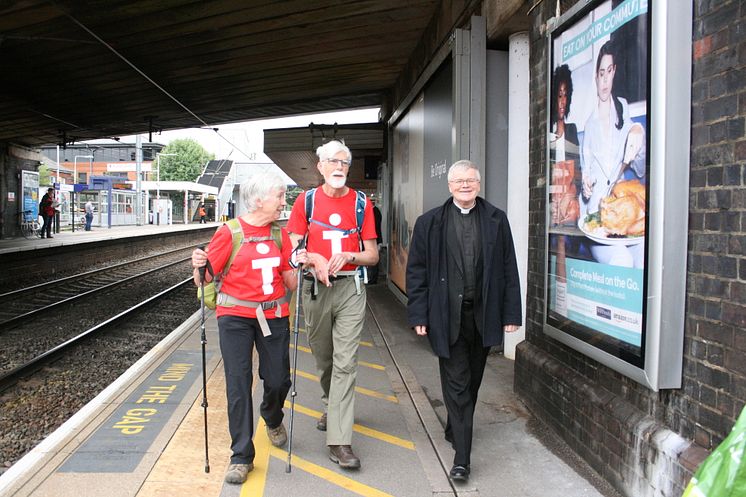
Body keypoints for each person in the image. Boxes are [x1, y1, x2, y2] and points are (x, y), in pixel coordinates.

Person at [406, 160, 522, 482]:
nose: (465, 185)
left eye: (470, 180)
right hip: (446, 316)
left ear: (479, 184)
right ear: (449, 186)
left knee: (472, 381)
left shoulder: (497, 220)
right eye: (459, 180)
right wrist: (419, 314)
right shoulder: (429, 222)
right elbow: (417, 272)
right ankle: (462, 460)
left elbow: (509, 268)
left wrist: (511, 315)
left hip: (483, 315)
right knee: (457, 383)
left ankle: (454, 424)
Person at [191, 172, 297, 485]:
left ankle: (272, 416)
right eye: (279, 196)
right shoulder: (229, 232)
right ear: (259, 199)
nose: (283, 202)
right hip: (234, 317)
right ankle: (240, 455)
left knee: (279, 379)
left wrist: (300, 265)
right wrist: (197, 263)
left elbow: (290, 279)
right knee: (238, 383)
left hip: (274, 313)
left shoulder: (281, 234)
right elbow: (204, 279)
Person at [287, 139, 379, 470]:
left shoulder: (361, 203)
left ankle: (340, 441)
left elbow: (373, 254)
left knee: (345, 362)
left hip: (351, 288)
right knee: (324, 358)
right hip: (314, 289)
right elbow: (294, 251)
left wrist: (350, 256)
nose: (339, 168)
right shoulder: (306, 202)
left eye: (344, 163)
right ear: (320, 167)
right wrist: (312, 258)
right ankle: (331, 403)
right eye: (333, 162)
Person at [580, 40, 646, 267]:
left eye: (609, 71)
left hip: (625, 218)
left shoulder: (624, 112)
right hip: (599, 223)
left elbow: (639, 167)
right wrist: (586, 183)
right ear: (596, 77)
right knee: (621, 261)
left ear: (614, 72)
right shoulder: (589, 126)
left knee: (645, 257)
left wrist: (639, 130)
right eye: (601, 73)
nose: (605, 80)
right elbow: (585, 176)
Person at [366, 197, 383, 284]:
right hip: (375, 239)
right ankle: (372, 278)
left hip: (375, 239)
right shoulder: (376, 211)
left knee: (374, 260)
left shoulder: (374, 212)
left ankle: (373, 279)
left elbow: (374, 227)